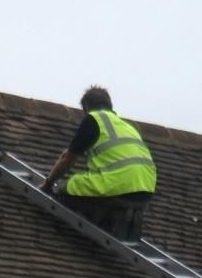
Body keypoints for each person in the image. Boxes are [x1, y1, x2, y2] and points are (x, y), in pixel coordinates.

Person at [40, 86, 156, 240]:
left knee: (68, 186)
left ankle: (83, 230)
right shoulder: (128, 127)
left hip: (119, 187)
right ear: (109, 105)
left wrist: (48, 184)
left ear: (86, 107)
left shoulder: (93, 119)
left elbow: (67, 159)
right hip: (145, 193)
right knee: (89, 185)